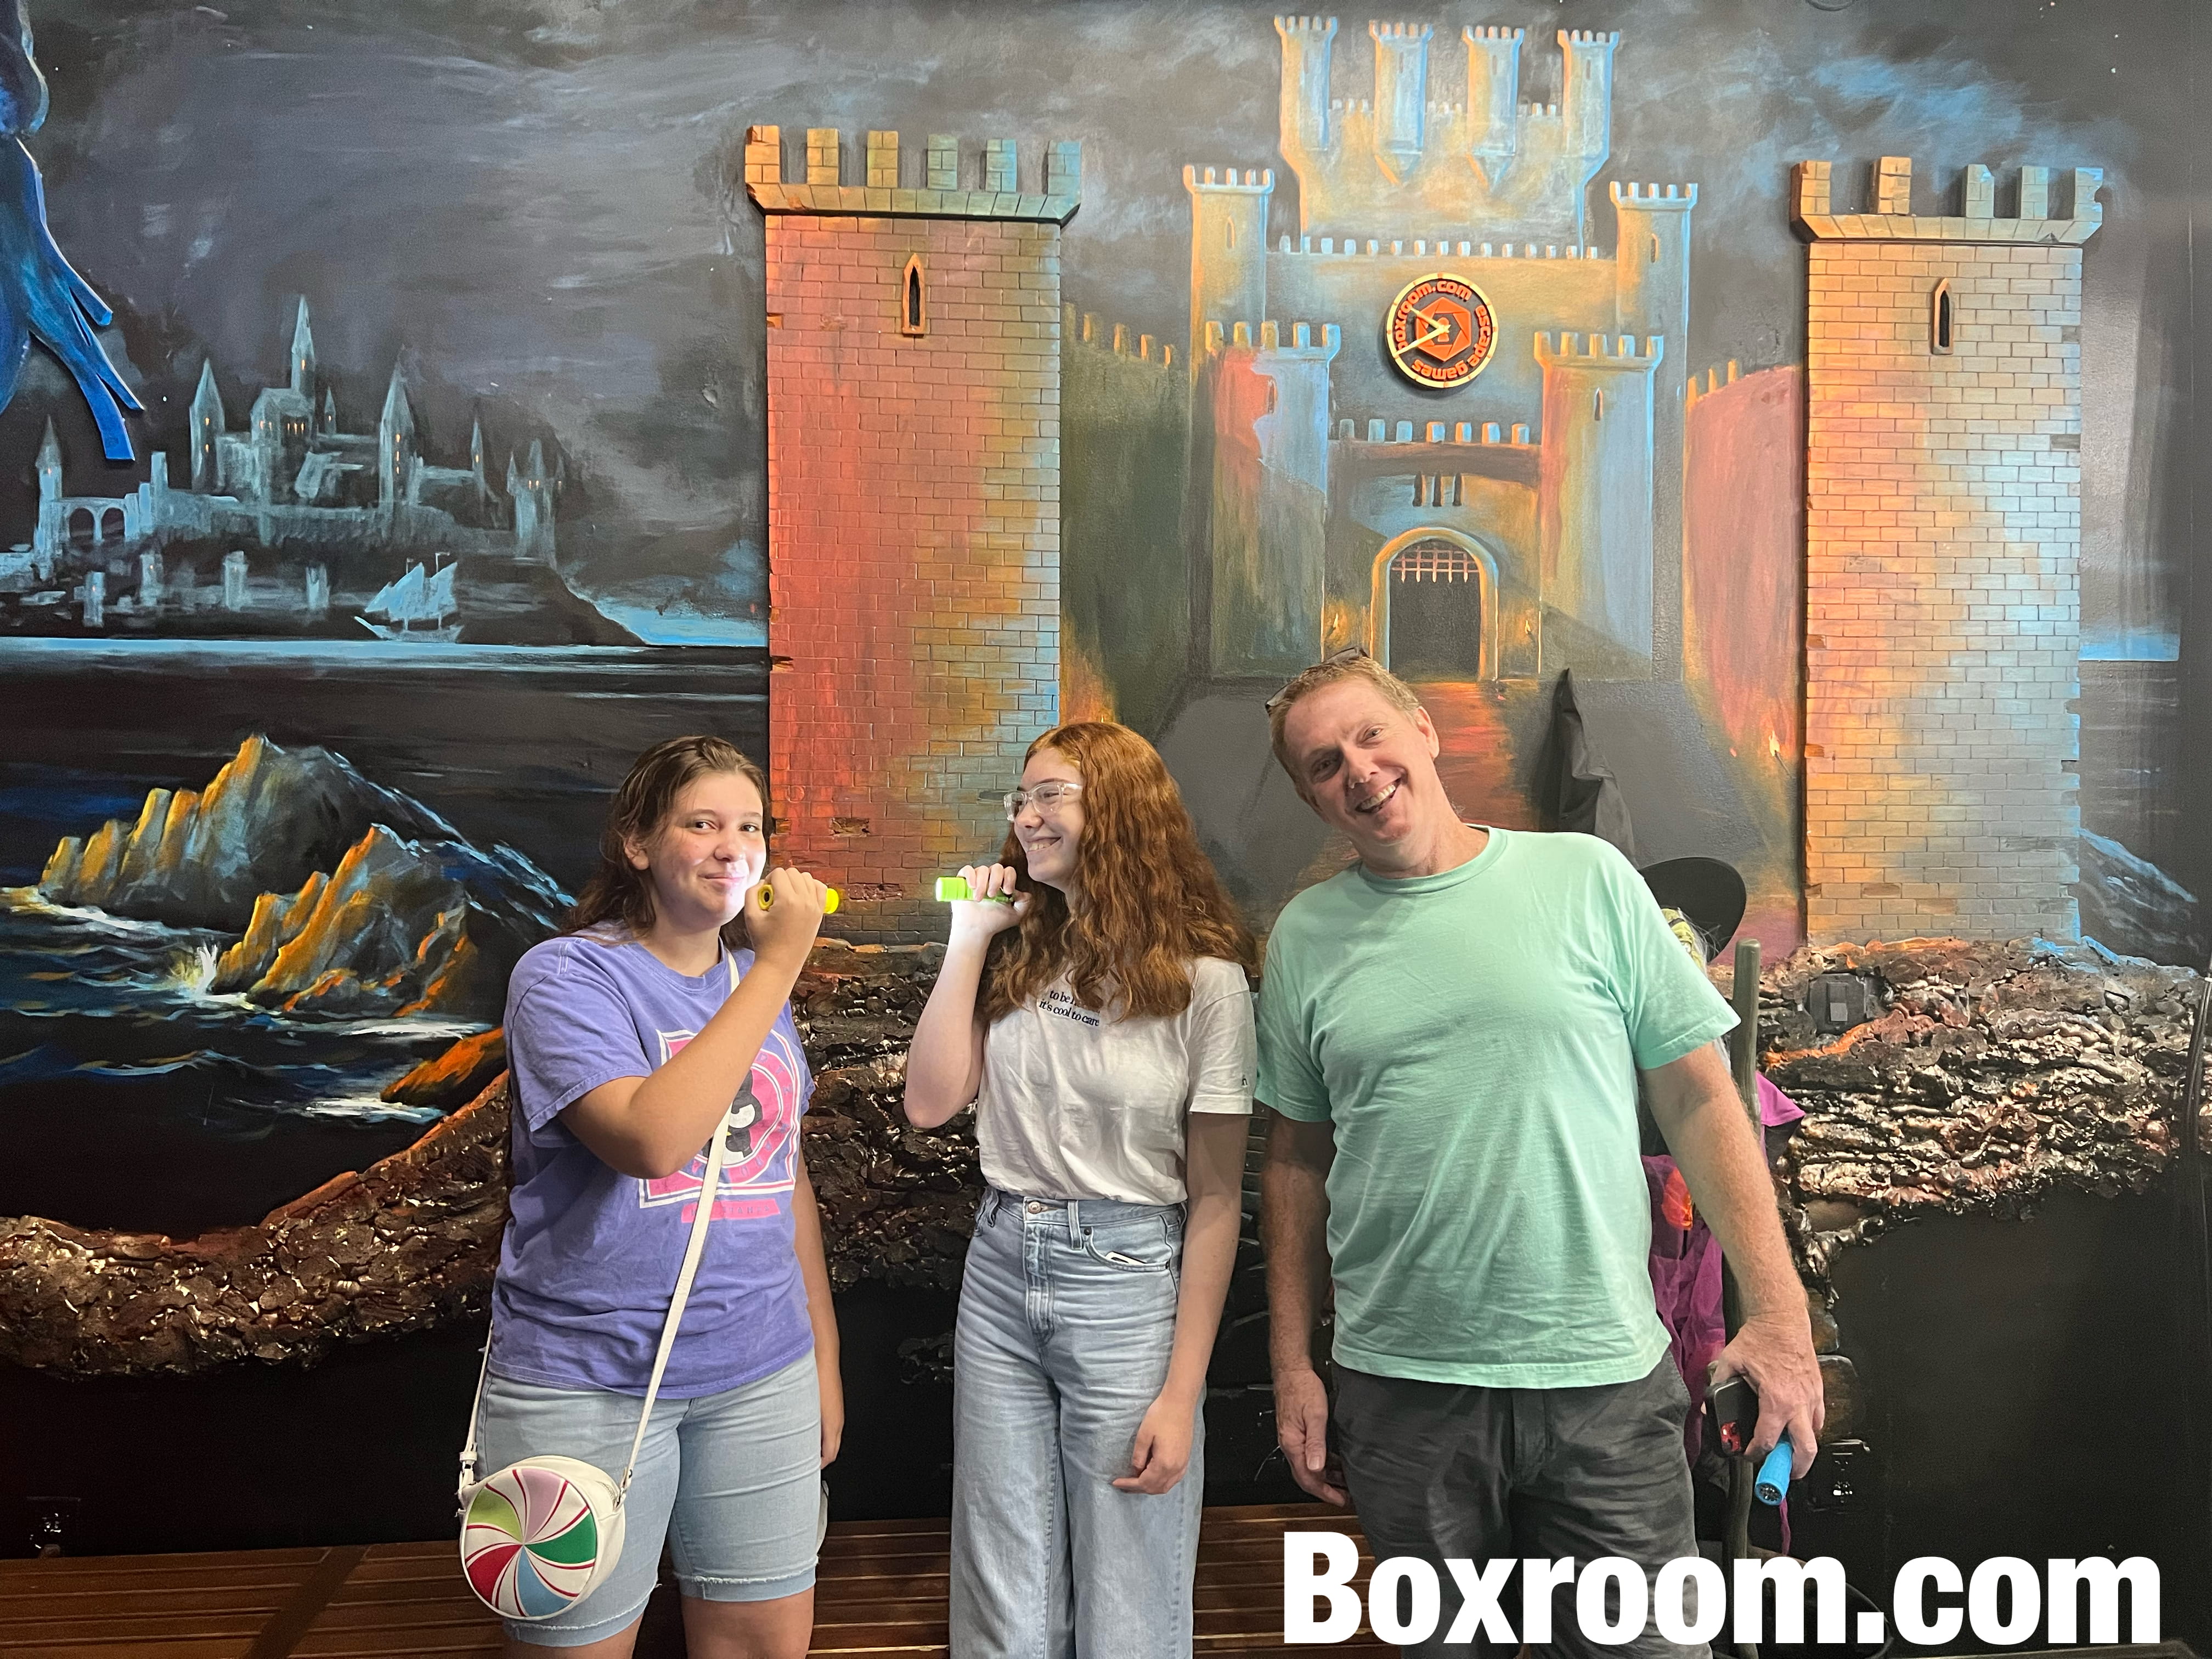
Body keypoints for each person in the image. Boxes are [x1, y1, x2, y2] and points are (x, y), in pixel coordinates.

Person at [1255, 652, 1822, 1658]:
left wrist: (1780, 1318)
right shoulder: (1305, 937)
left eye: (1370, 735)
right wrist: (1292, 1364)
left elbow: (1701, 1098)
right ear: (1312, 798)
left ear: (1424, 730)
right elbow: (1296, 1158)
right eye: (1324, 764)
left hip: (1602, 1386)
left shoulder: (1587, 879)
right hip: (1403, 1394)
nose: (1358, 770)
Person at [473, 735, 841, 1659]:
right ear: (637, 843)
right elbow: (650, 1139)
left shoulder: (752, 983)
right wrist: (778, 966)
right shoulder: (566, 977)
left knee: (762, 1644)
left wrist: (822, 1360)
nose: (733, 848)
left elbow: (781, 1174)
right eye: (702, 824)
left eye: (750, 827)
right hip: (584, 1380)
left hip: (761, 1371)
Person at [904, 721, 1257, 1658]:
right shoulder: (1018, 950)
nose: (1027, 816)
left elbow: (1217, 1200)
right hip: (1000, 1263)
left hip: (1126, 1276)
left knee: (1130, 1592)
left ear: (1123, 808)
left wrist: (1182, 1393)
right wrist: (968, 937)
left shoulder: (1207, 981)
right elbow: (930, 1104)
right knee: (1002, 1592)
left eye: (1051, 794)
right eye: (1021, 799)